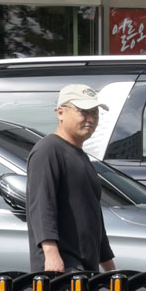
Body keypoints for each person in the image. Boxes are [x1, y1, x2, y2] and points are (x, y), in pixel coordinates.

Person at [25, 83, 115, 275]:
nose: (90, 119)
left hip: (84, 268)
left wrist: (110, 270)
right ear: (60, 113)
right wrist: (50, 253)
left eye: (95, 113)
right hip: (61, 268)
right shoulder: (48, 150)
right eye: (83, 111)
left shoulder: (81, 156)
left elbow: (94, 217)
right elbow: (42, 204)